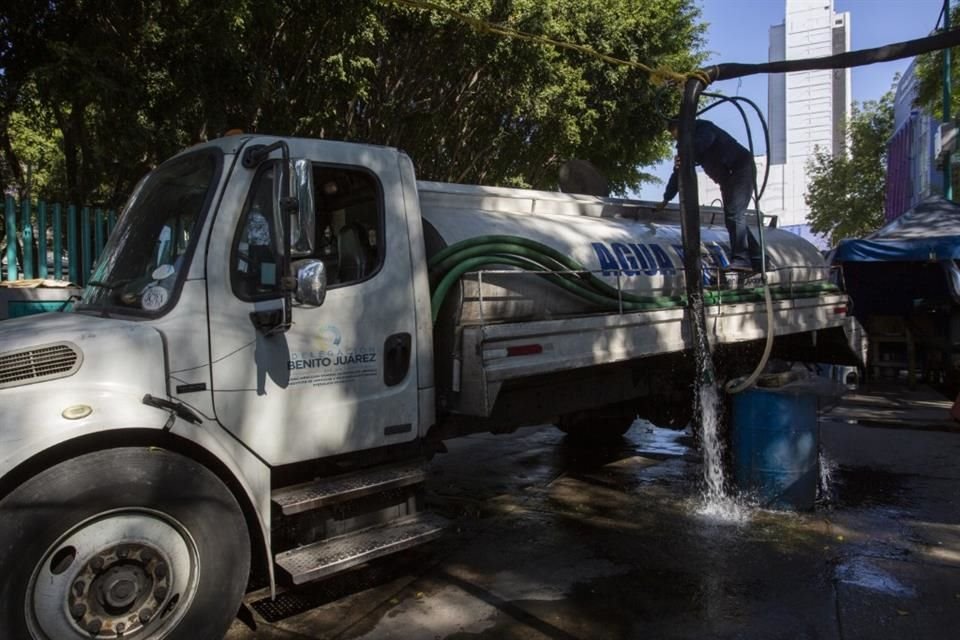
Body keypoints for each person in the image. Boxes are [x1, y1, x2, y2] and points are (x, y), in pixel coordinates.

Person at [658, 118, 758, 272]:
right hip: (727, 178)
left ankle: (742, 259)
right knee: (733, 217)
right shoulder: (687, 146)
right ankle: (758, 258)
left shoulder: (704, 129)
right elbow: (678, 172)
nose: (676, 139)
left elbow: (705, 141)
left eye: (677, 135)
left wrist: (687, 154)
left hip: (739, 169)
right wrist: (667, 198)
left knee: (734, 214)